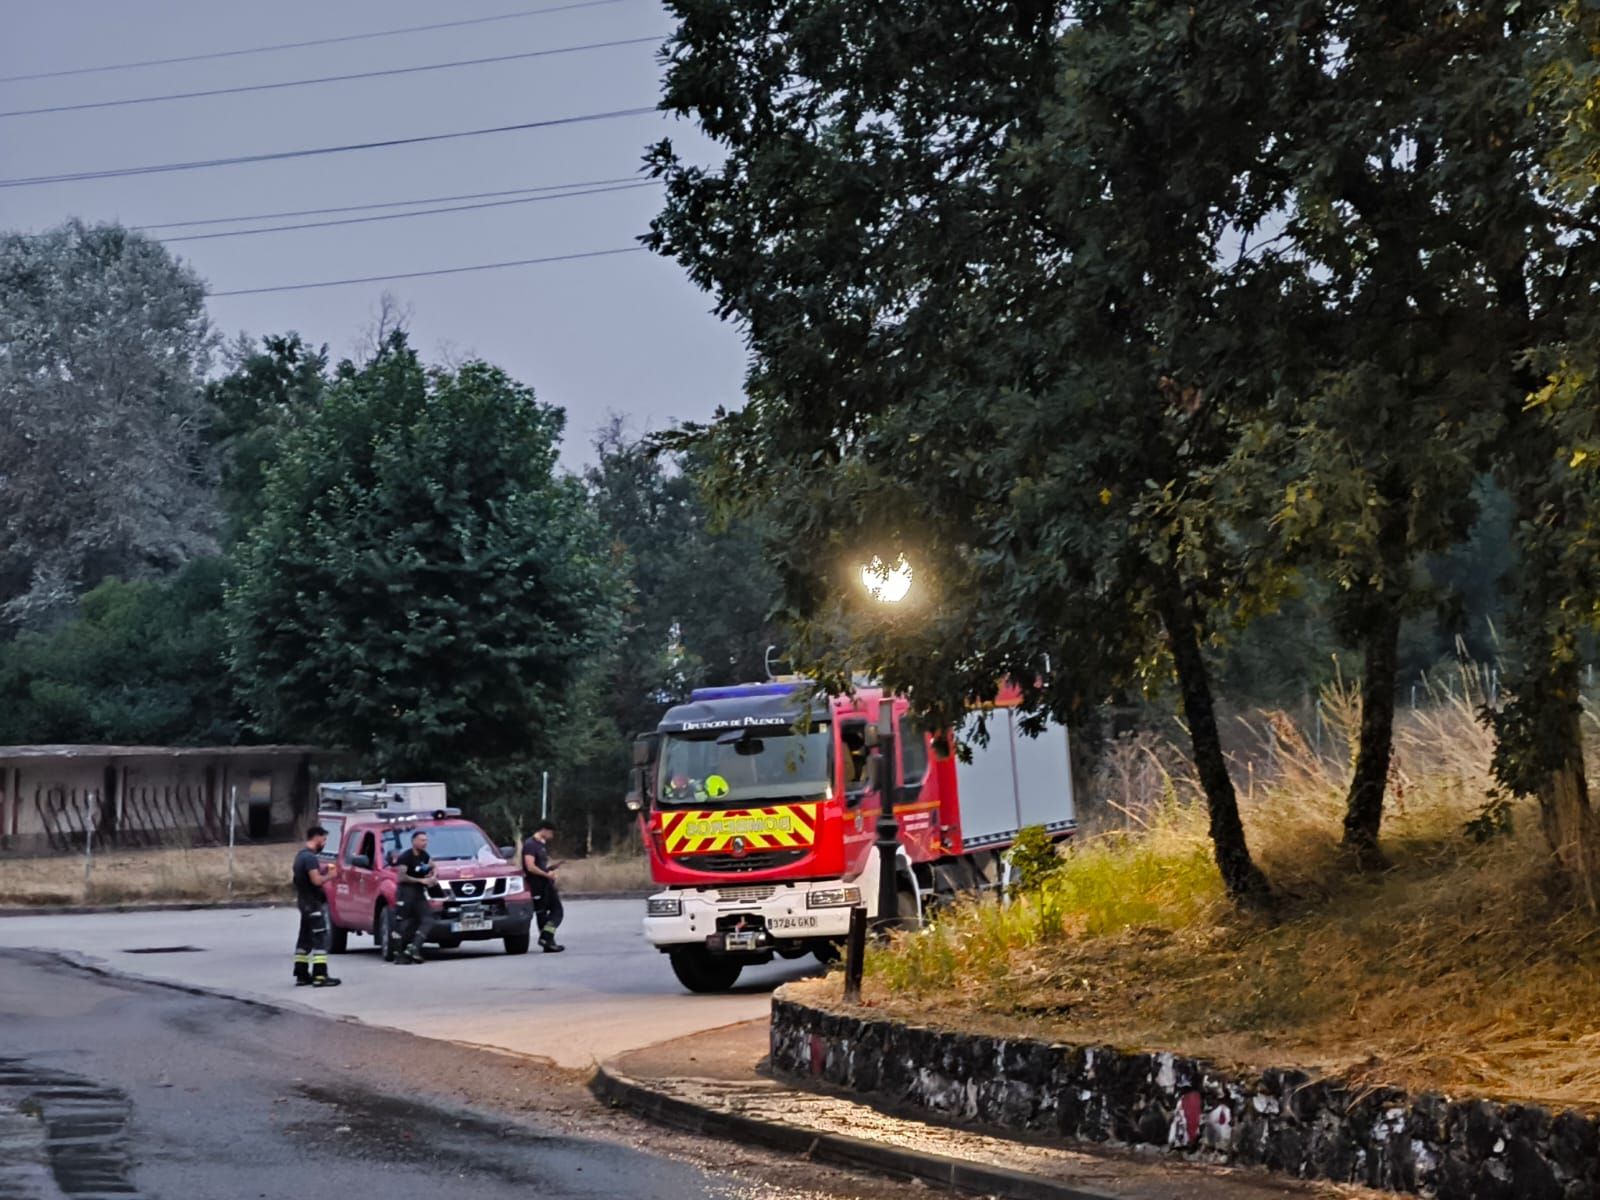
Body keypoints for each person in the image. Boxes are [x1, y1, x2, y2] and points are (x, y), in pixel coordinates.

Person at [292, 826, 341, 987]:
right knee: (320, 939)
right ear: (316, 837)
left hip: (303, 903)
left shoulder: (300, 857)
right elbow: (316, 881)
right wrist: (330, 876)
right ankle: (320, 975)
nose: (324, 843)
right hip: (313, 904)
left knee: (304, 939)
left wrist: (323, 871)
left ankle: (301, 974)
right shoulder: (310, 858)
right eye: (324, 839)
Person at [391, 829, 436, 965]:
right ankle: (399, 954)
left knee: (427, 919)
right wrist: (420, 880)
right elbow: (401, 876)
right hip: (406, 892)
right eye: (422, 840)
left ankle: (414, 948)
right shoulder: (406, 856)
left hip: (419, 893)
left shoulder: (424, 855)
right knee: (403, 924)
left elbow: (433, 866)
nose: (425, 843)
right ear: (413, 841)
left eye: (426, 840)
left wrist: (432, 876)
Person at [521, 820, 564, 952]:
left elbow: (540, 866)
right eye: (551, 832)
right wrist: (547, 875)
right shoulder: (530, 845)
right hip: (537, 884)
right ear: (544, 830)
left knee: (548, 913)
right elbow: (530, 867)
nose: (552, 835)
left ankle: (548, 941)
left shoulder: (540, 845)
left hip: (545, 883)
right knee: (553, 912)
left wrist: (551, 868)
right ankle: (546, 937)